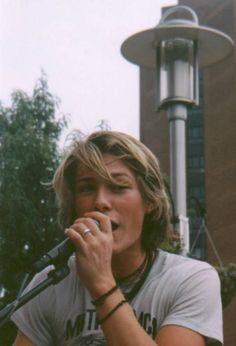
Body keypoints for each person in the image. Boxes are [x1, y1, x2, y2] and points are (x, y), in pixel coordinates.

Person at [12, 131, 223, 345]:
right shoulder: (50, 283)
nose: (101, 202)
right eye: (86, 188)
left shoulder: (191, 279)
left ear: (149, 200)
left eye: (119, 187)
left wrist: (101, 283)